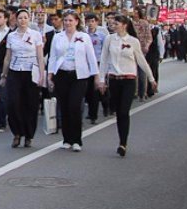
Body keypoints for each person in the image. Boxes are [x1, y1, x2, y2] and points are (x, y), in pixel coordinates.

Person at [97, 14, 156, 157]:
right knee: (117, 111)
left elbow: (141, 60)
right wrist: (101, 80)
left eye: (116, 23)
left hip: (129, 79)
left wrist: (151, 78)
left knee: (124, 111)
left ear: (124, 25)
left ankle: (123, 143)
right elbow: (104, 60)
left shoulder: (133, 41)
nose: (113, 25)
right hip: (114, 79)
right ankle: (121, 137)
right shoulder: (109, 40)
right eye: (113, 23)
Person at [46, 10, 98, 152]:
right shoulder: (58, 37)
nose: (68, 23)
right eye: (66, 20)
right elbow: (53, 57)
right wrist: (50, 74)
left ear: (76, 22)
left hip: (79, 75)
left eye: (71, 20)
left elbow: (91, 57)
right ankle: (67, 139)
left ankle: (77, 140)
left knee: (74, 106)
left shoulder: (83, 37)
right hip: (62, 74)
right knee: (64, 107)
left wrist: (96, 75)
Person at [1, 9, 44, 148]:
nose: (23, 20)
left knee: (30, 104)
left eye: (25, 18)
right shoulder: (11, 36)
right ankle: (17, 133)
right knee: (13, 103)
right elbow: (7, 57)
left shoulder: (36, 35)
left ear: (29, 19)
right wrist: (4, 75)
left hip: (31, 72)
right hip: (15, 71)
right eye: (20, 18)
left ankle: (28, 135)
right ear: (16, 19)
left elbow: (40, 56)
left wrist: (42, 75)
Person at [84, 13, 108, 124]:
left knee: (96, 88)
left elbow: (105, 51)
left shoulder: (102, 36)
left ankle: (97, 112)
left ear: (96, 22)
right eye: (88, 21)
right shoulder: (84, 35)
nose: (90, 24)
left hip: (98, 63)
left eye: (93, 21)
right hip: (86, 64)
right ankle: (91, 112)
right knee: (88, 90)